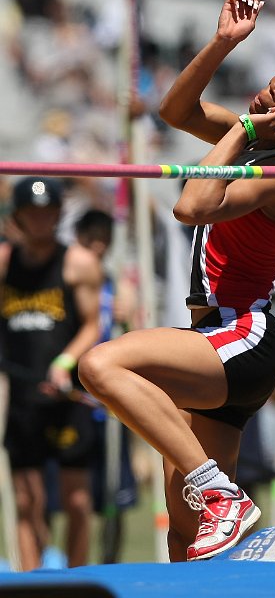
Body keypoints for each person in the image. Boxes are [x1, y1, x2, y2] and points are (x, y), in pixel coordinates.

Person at [78, 0, 275, 562]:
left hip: (241, 337)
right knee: (185, 536)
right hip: (215, 340)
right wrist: (222, 44)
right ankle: (214, 500)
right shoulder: (259, 137)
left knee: (100, 364)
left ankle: (224, 494)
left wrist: (243, 126)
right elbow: (174, 112)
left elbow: (192, 205)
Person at [0, 177, 102, 570]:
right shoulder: (6, 263)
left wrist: (64, 363)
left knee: (76, 500)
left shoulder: (78, 263)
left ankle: (76, 580)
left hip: (65, 395)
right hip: (22, 398)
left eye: (47, 214)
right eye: (31, 214)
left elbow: (92, 325)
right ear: (18, 217)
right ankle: (30, 580)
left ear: (58, 215)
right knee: (27, 501)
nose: (40, 222)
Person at [74, 208, 138, 563]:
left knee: (116, 494)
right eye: (92, 236)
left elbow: (133, 339)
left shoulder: (117, 284)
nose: (99, 245)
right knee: (77, 492)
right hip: (77, 400)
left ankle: (110, 560)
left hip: (111, 405)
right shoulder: (70, 278)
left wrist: (127, 316)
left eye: (105, 237)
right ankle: (69, 564)